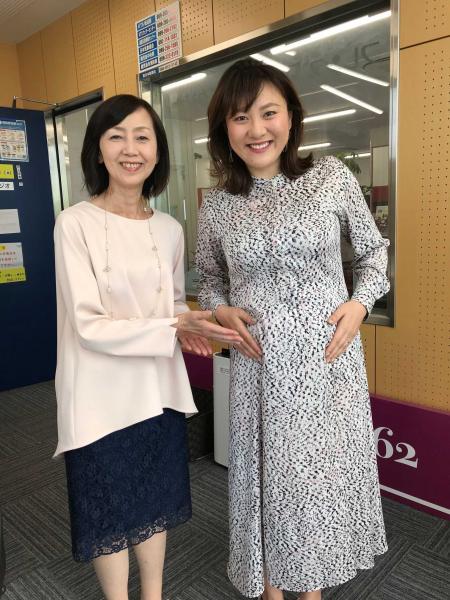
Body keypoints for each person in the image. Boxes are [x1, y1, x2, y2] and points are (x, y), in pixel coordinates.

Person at [196, 59, 390, 600]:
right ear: (224, 129)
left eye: (268, 113)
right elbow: (209, 279)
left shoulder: (329, 178)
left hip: (326, 364)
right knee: (268, 481)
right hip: (259, 368)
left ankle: (311, 589)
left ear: (290, 117)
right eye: (240, 117)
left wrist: (359, 305)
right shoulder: (218, 206)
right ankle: (272, 590)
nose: (256, 130)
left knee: (316, 482)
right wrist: (220, 310)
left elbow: (374, 254)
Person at [53, 94, 242, 600]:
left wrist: (192, 324)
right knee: (109, 510)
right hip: (98, 397)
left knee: (153, 502)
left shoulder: (169, 228)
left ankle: (154, 594)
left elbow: (173, 305)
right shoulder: (74, 223)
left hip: (157, 391)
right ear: (97, 151)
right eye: (116, 137)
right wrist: (171, 327)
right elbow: (88, 326)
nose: (130, 149)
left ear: (158, 150)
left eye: (143, 137)